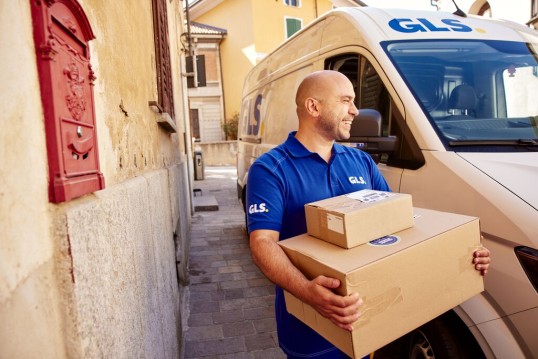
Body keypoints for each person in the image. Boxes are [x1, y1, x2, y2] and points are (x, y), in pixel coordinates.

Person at [246, 70, 491, 359]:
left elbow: (399, 222)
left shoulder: (360, 161)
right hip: (310, 332)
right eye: (345, 101)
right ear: (314, 107)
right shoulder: (271, 169)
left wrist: (460, 249)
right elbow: (262, 242)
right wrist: (308, 292)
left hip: (367, 321)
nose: (355, 110)